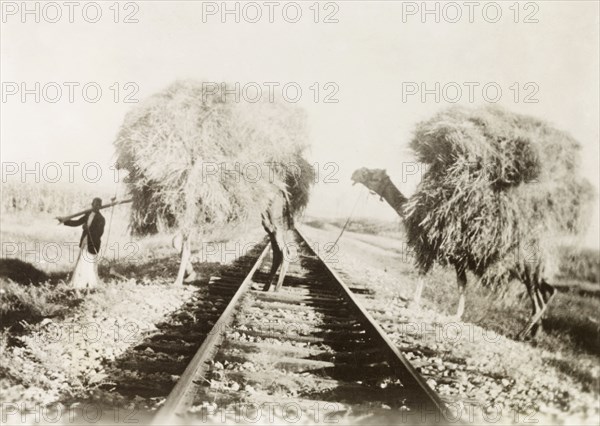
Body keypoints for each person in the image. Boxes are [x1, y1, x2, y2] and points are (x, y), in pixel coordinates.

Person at [57, 197, 105, 291]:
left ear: (100, 206)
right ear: (92, 205)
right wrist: (64, 221)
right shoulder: (88, 214)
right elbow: (77, 222)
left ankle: (89, 283)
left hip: (93, 244)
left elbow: (99, 233)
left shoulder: (101, 219)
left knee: (88, 261)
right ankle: (79, 282)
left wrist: (88, 229)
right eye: (94, 204)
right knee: (81, 261)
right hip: (85, 241)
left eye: (98, 205)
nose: (95, 206)